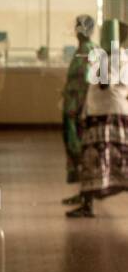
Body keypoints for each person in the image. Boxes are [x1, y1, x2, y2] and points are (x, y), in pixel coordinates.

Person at [68, 21, 128, 219]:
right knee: (119, 162)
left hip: (104, 117)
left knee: (94, 160)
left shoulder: (111, 57)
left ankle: (87, 206)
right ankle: (87, 203)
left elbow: (103, 84)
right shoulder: (123, 57)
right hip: (116, 114)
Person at [61, 15, 95, 203]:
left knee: (81, 151)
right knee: (75, 151)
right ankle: (82, 194)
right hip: (72, 108)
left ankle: (86, 197)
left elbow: (90, 82)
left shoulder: (89, 51)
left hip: (80, 111)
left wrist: (82, 108)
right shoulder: (81, 51)